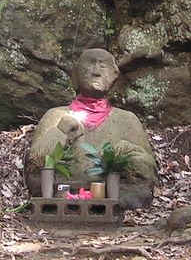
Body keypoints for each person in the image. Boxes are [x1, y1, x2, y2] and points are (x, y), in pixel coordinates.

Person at [25, 48, 157, 208]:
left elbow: (148, 172)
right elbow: (34, 165)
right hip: (61, 196)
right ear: (75, 73)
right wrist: (61, 131)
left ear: (115, 74)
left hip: (111, 198)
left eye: (102, 66)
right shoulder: (55, 116)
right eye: (89, 65)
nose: (96, 72)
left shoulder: (127, 120)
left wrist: (125, 152)